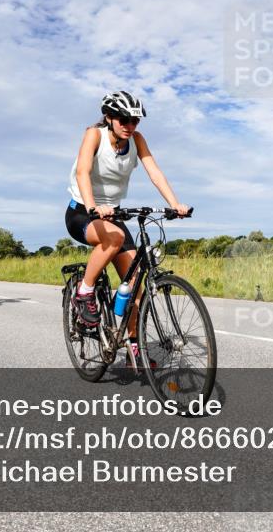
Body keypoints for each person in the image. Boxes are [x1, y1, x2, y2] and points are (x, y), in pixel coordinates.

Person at [65, 90, 191, 364]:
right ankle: (84, 291)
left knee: (136, 285)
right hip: (81, 213)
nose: (130, 126)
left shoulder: (136, 140)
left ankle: (136, 347)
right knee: (115, 237)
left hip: (112, 215)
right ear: (109, 117)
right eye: (124, 119)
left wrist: (175, 204)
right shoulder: (94, 135)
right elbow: (82, 172)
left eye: (135, 121)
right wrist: (92, 206)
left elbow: (154, 172)